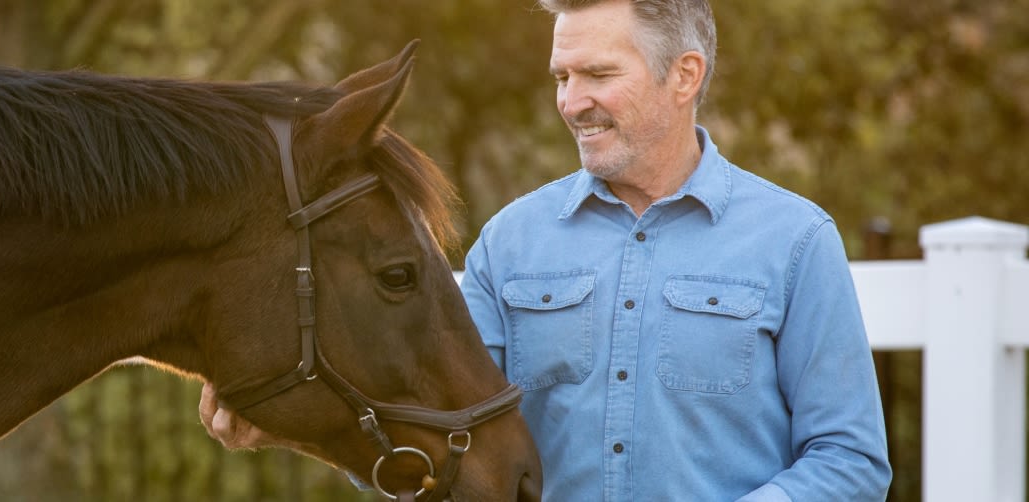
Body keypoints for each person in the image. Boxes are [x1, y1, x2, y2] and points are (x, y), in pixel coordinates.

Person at [203, 0, 892, 499]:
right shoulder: (511, 243)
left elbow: (851, 459)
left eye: (597, 74)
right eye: (562, 78)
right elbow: (438, 436)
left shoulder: (795, 242)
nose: (572, 102)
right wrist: (288, 425)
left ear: (684, 76)